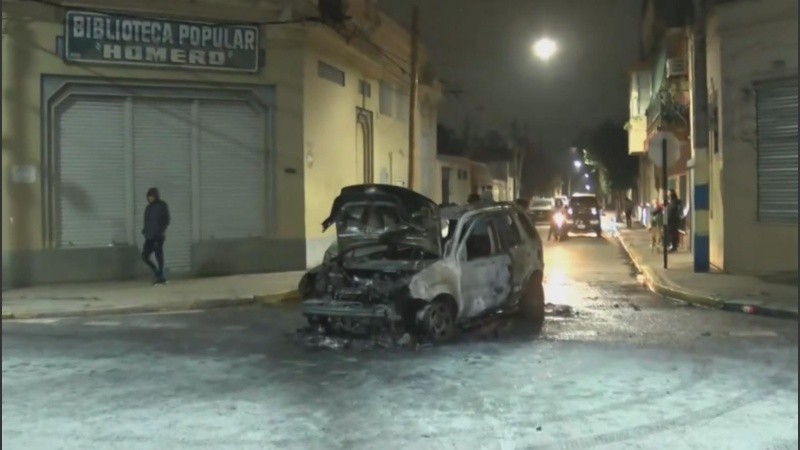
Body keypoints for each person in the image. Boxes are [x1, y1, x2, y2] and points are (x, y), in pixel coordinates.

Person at [142, 187, 170, 284]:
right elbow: (147, 221)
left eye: (152, 196)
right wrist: (145, 230)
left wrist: (161, 231)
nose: (150, 198)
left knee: (159, 256)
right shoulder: (148, 208)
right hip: (149, 236)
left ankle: (161, 277)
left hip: (158, 236)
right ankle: (157, 272)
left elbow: (166, 220)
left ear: (156, 196)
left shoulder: (162, 206)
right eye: (149, 196)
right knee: (145, 256)